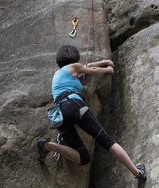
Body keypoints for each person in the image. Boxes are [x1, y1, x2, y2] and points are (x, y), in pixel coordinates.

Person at [37, 45, 146, 180]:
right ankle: (137, 172)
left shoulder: (58, 73)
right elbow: (90, 70)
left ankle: (47, 145)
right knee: (107, 141)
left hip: (59, 115)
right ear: (75, 57)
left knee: (83, 158)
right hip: (73, 104)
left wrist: (102, 62)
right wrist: (107, 69)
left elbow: (84, 67)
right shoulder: (74, 67)